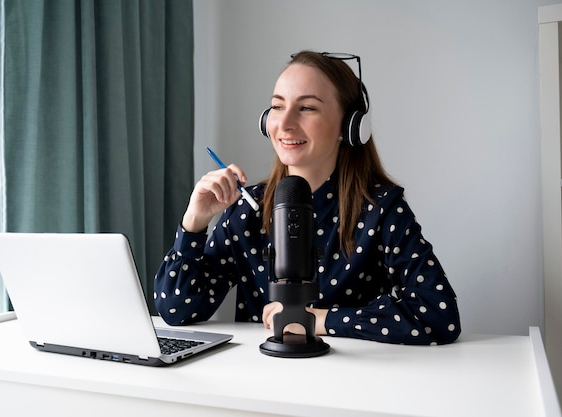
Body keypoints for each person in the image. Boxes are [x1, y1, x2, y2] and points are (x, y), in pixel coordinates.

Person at [154, 50, 461, 345]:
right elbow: (177, 310)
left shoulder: (381, 209)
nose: (284, 123)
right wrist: (194, 223)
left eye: (307, 107)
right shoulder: (248, 209)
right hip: (260, 382)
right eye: (277, 106)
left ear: (350, 126)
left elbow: (438, 314)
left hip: (353, 385)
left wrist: (318, 320)